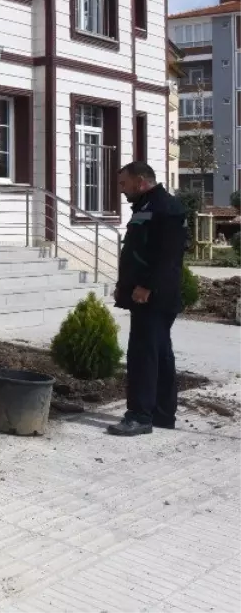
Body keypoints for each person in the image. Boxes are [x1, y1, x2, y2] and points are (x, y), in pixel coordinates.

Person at [110, 162, 188, 436]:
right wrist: (124, 285)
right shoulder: (147, 207)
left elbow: (167, 256)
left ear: (140, 181)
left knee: (143, 354)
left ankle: (140, 415)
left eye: (124, 184)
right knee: (160, 354)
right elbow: (137, 252)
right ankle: (163, 414)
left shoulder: (165, 208)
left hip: (154, 297)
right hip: (147, 294)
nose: (121, 190)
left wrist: (145, 286)